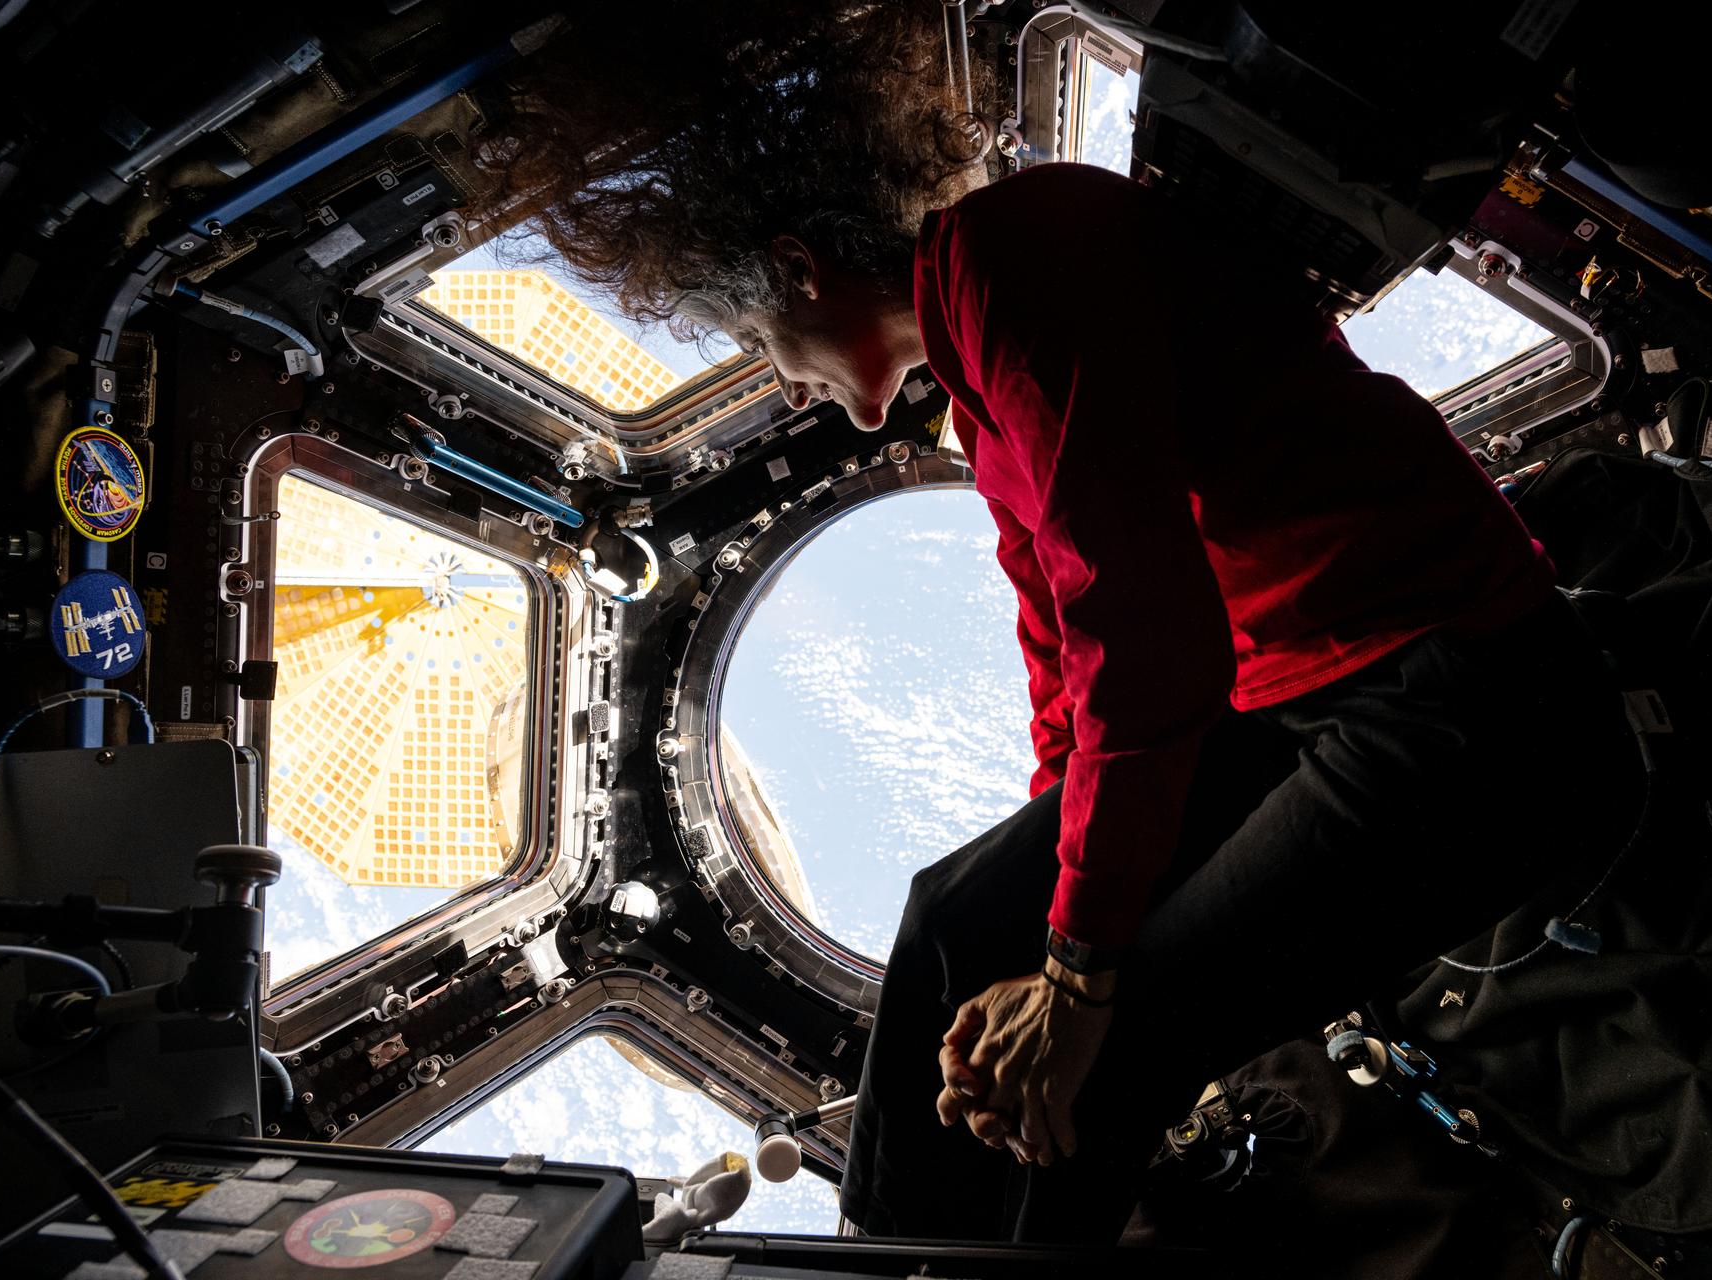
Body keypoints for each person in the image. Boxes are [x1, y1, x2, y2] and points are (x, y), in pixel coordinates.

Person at [489, 1, 1643, 1251]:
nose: (785, 379)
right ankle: (891, 1264)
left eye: (766, 342)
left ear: (794, 270)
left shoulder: (1016, 259)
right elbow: (1063, 655)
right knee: (950, 918)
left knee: (1118, 1035)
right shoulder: (981, 380)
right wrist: (1055, 902)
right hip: (1329, 700)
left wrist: (1081, 970)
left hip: (1477, 702)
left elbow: (1143, 639)